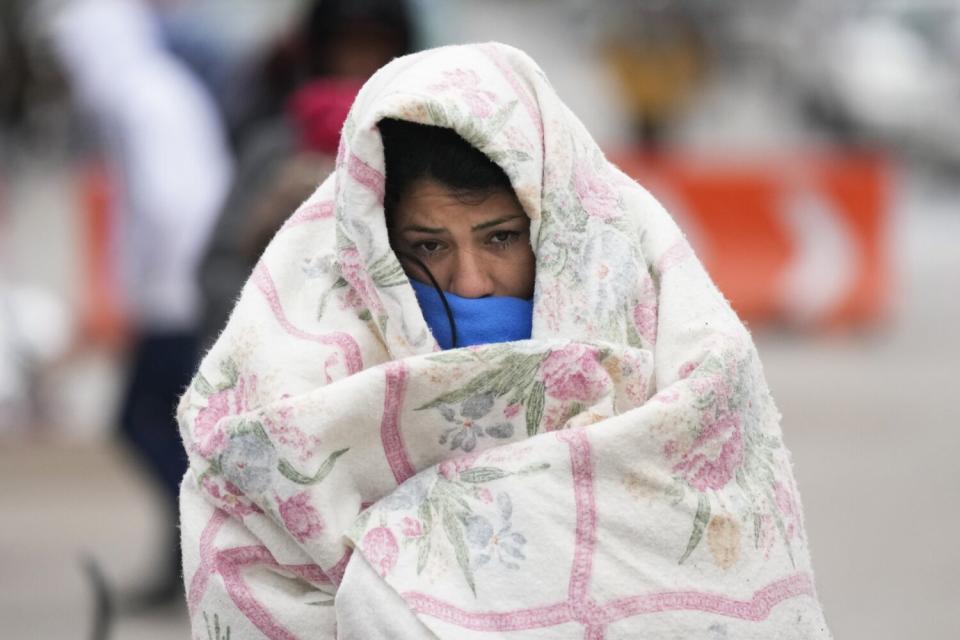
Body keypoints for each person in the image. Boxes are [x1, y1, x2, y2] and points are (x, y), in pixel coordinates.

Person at [177, 43, 832, 638]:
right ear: (373, 251)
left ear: (556, 228)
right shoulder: (294, 379)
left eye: (500, 238)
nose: (472, 282)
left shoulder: (686, 356)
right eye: (427, 248)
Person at [48, 0, 232, 607]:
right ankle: (188, 555)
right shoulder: (154, 90)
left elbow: (168, 205)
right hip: (178, 291)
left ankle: (211, 541)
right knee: (169, 430)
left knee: (146, 423)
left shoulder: (141, 98)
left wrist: (142, 293)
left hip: (175, 297)